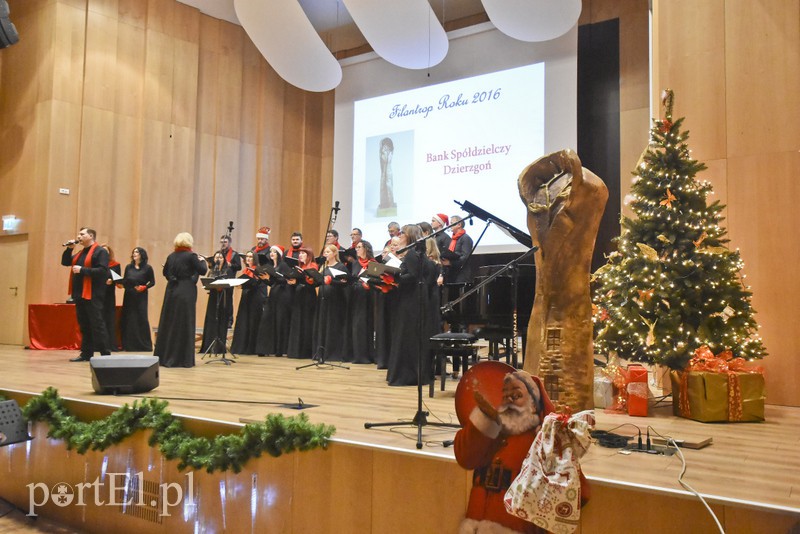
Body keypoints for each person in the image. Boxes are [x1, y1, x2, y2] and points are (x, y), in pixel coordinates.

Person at [454, 370, 572, 534]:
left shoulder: (543, 440)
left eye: (516, 395)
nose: (509, 400)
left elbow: (569, 494)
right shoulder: (491, 431)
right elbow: (465, 457)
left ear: (533, 404)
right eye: (505, 395)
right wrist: (483, 422)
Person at [386, 224, 431, 386]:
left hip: (411, 299)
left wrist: (394, 278)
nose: (400, 235)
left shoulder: (412, 254)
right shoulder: (417, 253)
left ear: (410, 236)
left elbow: (411, 276)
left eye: (403, 233)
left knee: (407, 335)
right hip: (415, 297)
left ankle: (406, 375)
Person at [154, 232, 207, 368]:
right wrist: (203, 261)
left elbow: (165, 272)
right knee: (185, 322)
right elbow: (202, 271)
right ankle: (183, 358)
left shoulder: (171, 256)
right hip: (186, 290)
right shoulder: (191, 256)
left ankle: (166, 356)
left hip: (171, 290)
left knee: (170, 321)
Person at [61, 227, 111, 362]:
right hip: (80, 294)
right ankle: (86, 354)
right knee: (84, 325)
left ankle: (105, 354)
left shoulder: (100, 252)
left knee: (97, 324)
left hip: (93, 294)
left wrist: (83, 270)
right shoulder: (80, 253)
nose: (79, 236)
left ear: (91, 236)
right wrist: (69, 249)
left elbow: (103, 271)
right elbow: (65, 262)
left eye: (82, 234)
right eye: (79, 234)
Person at [255, 245, 293, 356]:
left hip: (283, 296)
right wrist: (266, 279)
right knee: (268, 320)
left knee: (280, 321)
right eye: (271, 252)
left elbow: (286, 280)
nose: (271, 253)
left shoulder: (283, 265)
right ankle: (267, 349)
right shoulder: (271, 266)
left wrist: (273, 278)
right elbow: (272, 283)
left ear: (279, 254)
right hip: (273, 294)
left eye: (274, 252)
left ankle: (280, 350)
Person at [315, 244, 349, 362]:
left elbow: (345, 283)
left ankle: (333, 353)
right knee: (323, 324)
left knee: (333, 325)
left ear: (335, 253)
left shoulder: (340, 267)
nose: (326, 254)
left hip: (335, 300)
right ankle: (322, 352)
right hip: (323, 298)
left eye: (328, 252)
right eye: (325, 252)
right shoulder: (323, 266)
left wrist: (332, 281)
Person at [119, 247, 155, 351]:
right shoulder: (128, 267)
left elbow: (152, 282)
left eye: (137, 252)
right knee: (129, 318)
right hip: (129, 295)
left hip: (141, 295)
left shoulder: (148, 268)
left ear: (142, 255)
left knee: (141, 318)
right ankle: (128, 345)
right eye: (133, 252)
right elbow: (126, 280)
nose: (134, 253)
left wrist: (144, 287)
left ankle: (144, 345)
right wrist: (121, 283)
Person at [230, 251, 267, 355]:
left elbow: (257, 284)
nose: (248, 259)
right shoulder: (246, 270)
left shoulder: (258, 269)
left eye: (251, 257)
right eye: (247, 257)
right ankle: (241, 347)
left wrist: (246, 284)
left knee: (252, 321)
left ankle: (251, 348)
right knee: (243, 321)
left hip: (255, 298)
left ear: (255, 258)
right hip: (246, 297)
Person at [286, 248, 319, 359]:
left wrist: (300, 280)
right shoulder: (300, 267)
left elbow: (313, 282)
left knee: (306, 321)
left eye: (303, 253)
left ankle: (305, 351)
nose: (300, 255)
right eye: (299, 253)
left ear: (309, 255)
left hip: (308, 296)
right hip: (298, 295)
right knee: (297, 321)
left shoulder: (313, 266)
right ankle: (295, 351)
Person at [348, 240, 376, 364]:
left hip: (369, 298)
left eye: (359, 247)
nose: (357, 249)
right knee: (357, 325)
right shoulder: (355, 264)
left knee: (366, 324)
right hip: (356, 297)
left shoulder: (373, 263)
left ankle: (367, 355)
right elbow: (353, 277)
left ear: (366, 248)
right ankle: (357, 355)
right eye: (356, 247)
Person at [199, 251, 229, 353]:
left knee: (221, 319)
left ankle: (219, 347)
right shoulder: (212, 270)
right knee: (212, 319)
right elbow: (207, 283)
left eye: (221, 257)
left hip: (223, 297)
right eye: (216, 257)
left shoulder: (227, 270)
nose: (218, 259)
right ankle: (209, 345)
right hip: (213, 297)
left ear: (224, 260)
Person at [218, 234, 241, 327]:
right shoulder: (219, 253)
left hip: (229, 279)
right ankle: (219, 318)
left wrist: (230, 264)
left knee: (228, 300)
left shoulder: (234, 254)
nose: (223, 244)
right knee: (219, 299)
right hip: (219, 278)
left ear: (229, 243)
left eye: (225, 242)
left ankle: (229, 320)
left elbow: (239, 267)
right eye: (222, 242)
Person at [101, 244, 121, 351]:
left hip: (109, 295)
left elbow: (118, 280)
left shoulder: (115, 265)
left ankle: (110, 345)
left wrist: (112, 281)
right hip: (98, 294)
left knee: (109, 318)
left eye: (106, 251)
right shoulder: (97, 264)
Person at [444, 215, 474, 284]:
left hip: (461, 274)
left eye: (451, 223)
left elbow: (465, 257)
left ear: (459, 225)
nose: (449, 225)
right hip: (452, 272)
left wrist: (451, 262)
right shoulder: (453, 239)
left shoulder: (465, 238)